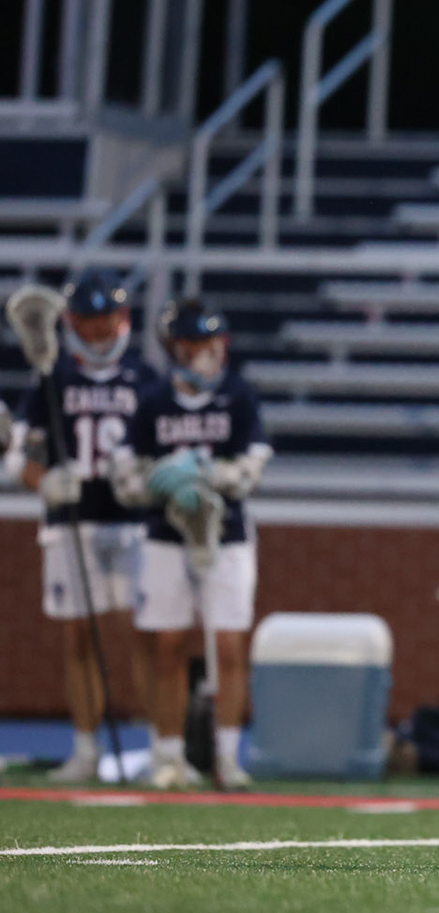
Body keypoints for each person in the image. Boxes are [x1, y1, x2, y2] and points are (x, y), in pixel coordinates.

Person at [111, 298, 271, 790]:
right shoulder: (156, 402)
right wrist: (157, 481)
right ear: (178, 349)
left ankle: (228, 755)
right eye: (199, 346)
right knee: (167, 644)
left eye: (214, 344)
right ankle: (169, 755)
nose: (210, 355)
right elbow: (125, 475)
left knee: (229, 643)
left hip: (226, 533)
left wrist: (210, 474)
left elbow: (253, 464)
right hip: (165, 533)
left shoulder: (238, 397)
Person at [5, 270, 157, 783]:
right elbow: (17, 454)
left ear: (122, 320)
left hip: (135, 523)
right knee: (77, 638)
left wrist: (148, 480)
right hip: (73, 524)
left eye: (103, 322)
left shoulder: (144, 377)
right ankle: (87, 749)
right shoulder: (52, 378)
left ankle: (164, 749)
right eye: (87, 324)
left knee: (147, 636)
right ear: (71, 324)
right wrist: (44, 482)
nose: (95, 334)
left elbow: (167, 452)